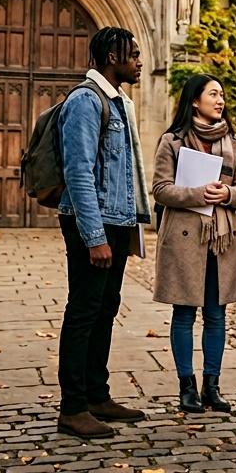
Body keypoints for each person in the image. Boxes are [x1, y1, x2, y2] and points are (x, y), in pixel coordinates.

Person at [56, 27, 151, 439]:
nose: (139, 61)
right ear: (113, 57)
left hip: (115, 220)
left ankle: (97, 394)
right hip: (91, 221)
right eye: (133, 54)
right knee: (83, 311)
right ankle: (72, 407)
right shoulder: (85, 101)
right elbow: (78, 172)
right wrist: (94, 236)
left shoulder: (118, 101)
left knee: (105, 309)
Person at [151, 74, 236, 414]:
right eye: (213, 94)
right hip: (184, 237)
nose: (220, 100)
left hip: (221, 239)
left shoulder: (233, 143)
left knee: (216, 314)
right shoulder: (172, 142)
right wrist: (197, 194)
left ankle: (212, 386)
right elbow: (161, 189)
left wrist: (227, 193)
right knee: (183, 312)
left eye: (222, 94)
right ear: (195, 101)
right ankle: (186, 387)